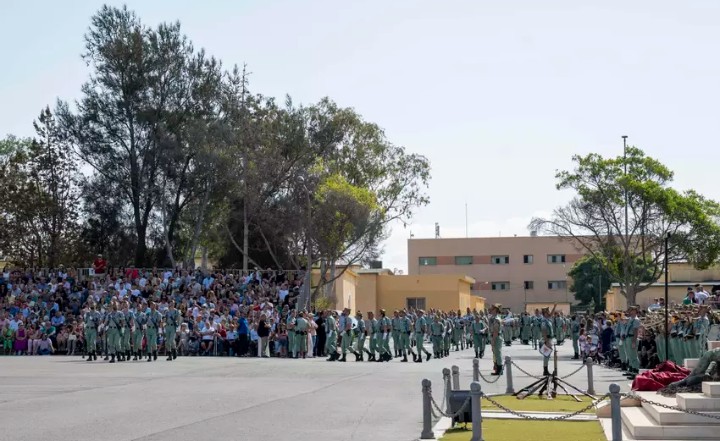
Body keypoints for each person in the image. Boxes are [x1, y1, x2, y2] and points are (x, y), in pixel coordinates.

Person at [488, 305, 503, 375]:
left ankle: (499, 370)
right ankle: (497, 369)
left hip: (496, 337)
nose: (490, 309)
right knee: (495, 353)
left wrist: (493, 340)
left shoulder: (496, 319)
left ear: (495, 310)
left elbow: (496, 331)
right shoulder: (492, 318)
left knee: (497, 353)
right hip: (494, 336)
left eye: (492, 308)